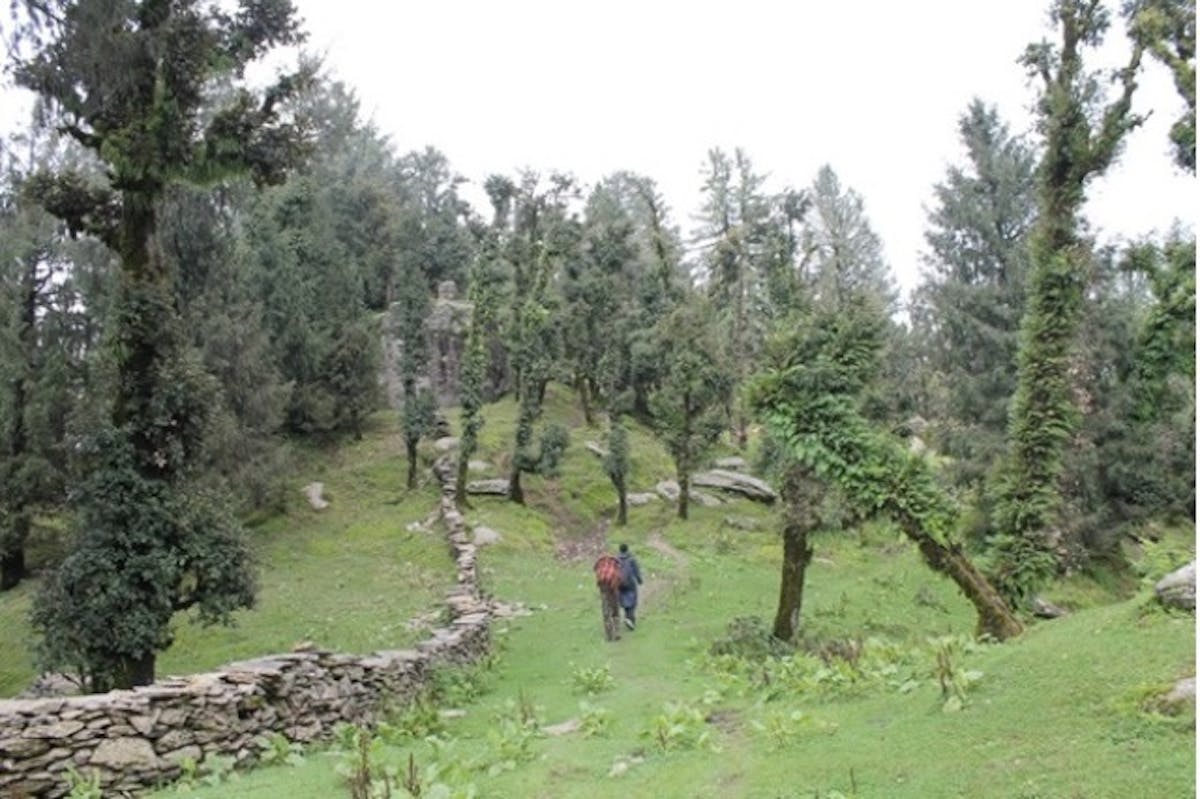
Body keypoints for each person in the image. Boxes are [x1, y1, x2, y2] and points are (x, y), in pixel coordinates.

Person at [593, 553, 623, 641]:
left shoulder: (600, 564)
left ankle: (609, 635)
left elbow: (596, 572)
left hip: (603, 587)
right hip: (613, 587)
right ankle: (617, 632)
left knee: (606, 611)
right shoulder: (615, 565)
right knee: (615, 609)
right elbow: (619, 578)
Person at [617, 543, 643, 630]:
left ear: (620, 550)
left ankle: (627, 617)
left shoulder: (616, 559)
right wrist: (639, 580)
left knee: (624, 599)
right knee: (632, 601)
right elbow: (636, 571)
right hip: (630, 583)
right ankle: (630, 619)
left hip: (620, 584)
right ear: (627, 549)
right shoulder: (631, 559)